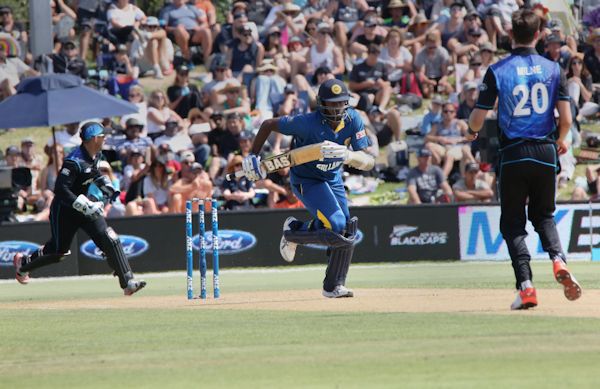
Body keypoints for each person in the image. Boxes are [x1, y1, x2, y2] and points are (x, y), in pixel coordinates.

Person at [468, 9, 580, 311]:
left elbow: (478, 117)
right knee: (544, 216)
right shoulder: (553, 68)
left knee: (513, 224)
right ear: (539, 34)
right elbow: (566, 118)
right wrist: (559, 140)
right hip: (545, 151)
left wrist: (472, 131)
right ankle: (558, 261)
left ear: (509, 35)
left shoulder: (497, 70)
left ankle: (527, 287)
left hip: (513, 153)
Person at [241, 79, 374, 298]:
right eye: (332, 104)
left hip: (333, 178)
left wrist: (347, 155)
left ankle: (333, 287)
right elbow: (267, 124)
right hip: (307, 179)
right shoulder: (306, 123)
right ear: (322, 104)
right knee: (337, 223)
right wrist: (253, 155)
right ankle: (292, 233)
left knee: (346, 228)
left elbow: (368, 161)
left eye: (341, 103)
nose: (337, 108)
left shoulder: (353, 119)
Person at [12, 122, 146, 295]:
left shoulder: (96, 154)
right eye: (102, 136)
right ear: (93, 139)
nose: (105, 138)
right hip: (64, 210)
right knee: (58, 251)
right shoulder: (73, 161)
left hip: (86, 207)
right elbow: (61, 190)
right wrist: (81, 204)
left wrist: (108, 188)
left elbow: (94, 173)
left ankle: (128, 282)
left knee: (109, 238)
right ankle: (23, 264)